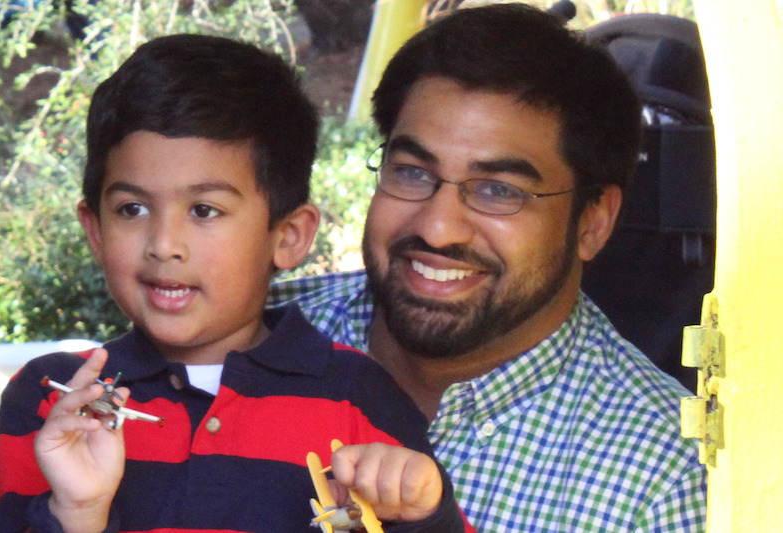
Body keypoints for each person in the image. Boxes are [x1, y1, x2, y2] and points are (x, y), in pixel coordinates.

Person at [0, 34, 468, 533]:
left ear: (287, 236)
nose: (164, 244)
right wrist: (78, 513)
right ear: (95, 229)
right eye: (132, 209)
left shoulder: (362, 399)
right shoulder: (55, 400)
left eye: (205, 210)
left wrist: (424, 512)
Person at [268, 3, 708, 531]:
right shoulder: (253, 336)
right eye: (411, 172)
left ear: (593, 222)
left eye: (499, 190)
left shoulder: (661, 480)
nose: (437, 228)